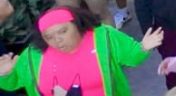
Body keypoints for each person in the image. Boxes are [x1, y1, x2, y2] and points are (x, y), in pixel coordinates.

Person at [0, 6, 162, 95]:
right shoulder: (32, 55)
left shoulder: (102, 37)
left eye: (63, 31)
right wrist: (4, 74)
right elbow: (12, 83)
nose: (57, 40)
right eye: (48, 37)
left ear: (77, 25)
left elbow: (132, 57)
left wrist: (143, 47)